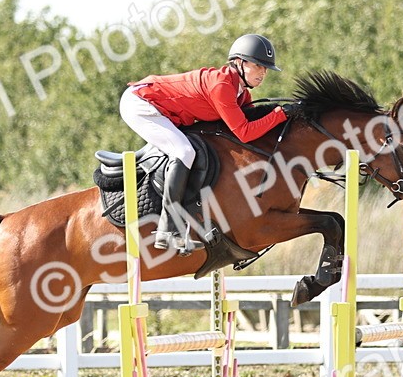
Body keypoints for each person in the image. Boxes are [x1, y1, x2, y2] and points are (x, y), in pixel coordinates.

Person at [120, 34, 293, 254]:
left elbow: (251, 122)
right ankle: (167, 230)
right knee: (184, 152)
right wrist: (279, 115)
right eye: (258, 65)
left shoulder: (241, 94)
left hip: (160, 109)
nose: (263, 73)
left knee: (188, 150)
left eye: (266, 69)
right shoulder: (222, 86)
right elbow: (245, 133)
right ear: (239, 62)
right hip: (140, 104)